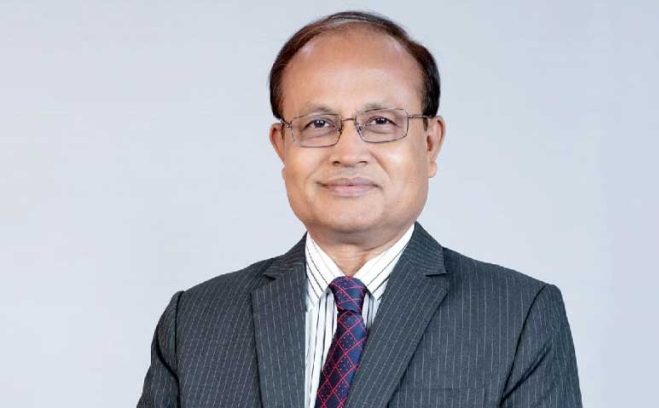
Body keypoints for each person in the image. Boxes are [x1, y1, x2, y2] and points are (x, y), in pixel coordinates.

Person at [137, 10, 582, 408]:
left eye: (381, 122)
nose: (348, 152)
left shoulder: (517, 317)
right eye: (318, 124)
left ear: (430, 144)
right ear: (282, 146)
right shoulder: (194, 322)